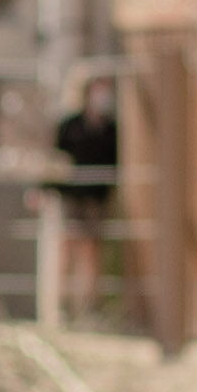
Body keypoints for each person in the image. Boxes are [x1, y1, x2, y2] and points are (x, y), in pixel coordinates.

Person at [40, 67, 122, 322]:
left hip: (95, 198)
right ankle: (62, 306)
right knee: (67, 247)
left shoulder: (110, 129)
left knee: (92, 250)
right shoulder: (69, 126)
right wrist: (44, 189)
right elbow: (54, 161)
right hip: (70, 196)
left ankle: (90, 307)